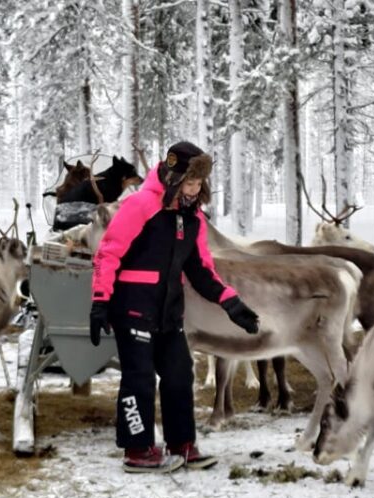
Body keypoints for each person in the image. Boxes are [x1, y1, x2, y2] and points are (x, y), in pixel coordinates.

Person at [89, 141, 259, 473]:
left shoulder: (192, 219)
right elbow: (107, 254)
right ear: (171, 178)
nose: (194, 191)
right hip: (133, 308)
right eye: (189, 184)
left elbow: (201, 269)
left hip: (169, 311)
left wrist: (231, 302)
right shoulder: (140, 206)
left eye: (198, 185)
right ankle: (137, 450)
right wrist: (100, 301)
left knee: (180, 374)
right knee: (139, 379)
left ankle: (181, 443)